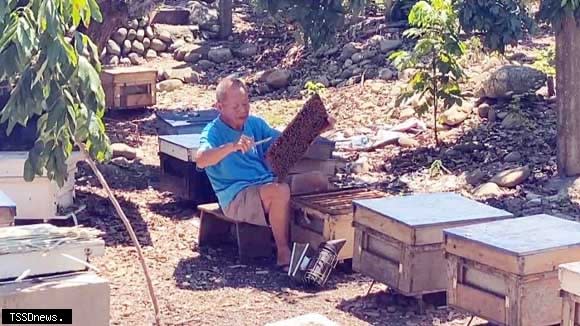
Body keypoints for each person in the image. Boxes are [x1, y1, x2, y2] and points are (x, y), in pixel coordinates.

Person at [195, 77, 334, 271]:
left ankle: (322, 246)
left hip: (266, 184)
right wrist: (231, 147)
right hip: (236, 197)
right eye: (236, 107)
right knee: (280, 191)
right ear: (220, 107)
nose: (243, 110)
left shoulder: (255, 124)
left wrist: (318, 128)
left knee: (317, 180)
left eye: (245, 104)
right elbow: (201, 159)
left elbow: (288, 144)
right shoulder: (212, 132)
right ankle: (283, 254)